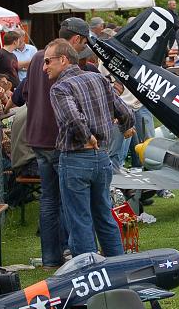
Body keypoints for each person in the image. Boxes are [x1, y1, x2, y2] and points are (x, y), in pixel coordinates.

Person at [10, 17, 95, 269]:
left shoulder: (37, 57)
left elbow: (22, 95)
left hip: (36, 138)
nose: (83, 49)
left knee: (48, 199)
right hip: (59, 139)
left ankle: (50, 258)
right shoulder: (63, 63)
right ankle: (71, 252)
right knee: (69, 198)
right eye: (83, 43)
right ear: (77, 39)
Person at [45, 38, 134, 258]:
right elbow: (125, 111)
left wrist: (88, 136)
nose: (44, 66)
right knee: (104, 216)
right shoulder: (98, 78)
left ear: (63, 59)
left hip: (76, 159)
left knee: (80, 221)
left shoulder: (59, 88)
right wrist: (125, 127)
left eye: (48, 61)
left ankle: (90, 274)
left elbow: (73, 120)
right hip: (101, 159)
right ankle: (118, 268)